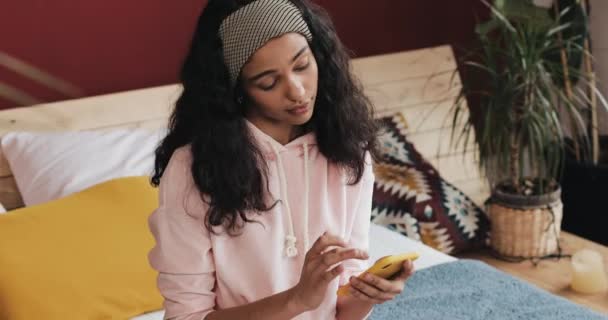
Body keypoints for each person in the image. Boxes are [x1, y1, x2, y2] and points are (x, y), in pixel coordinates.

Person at [147, 0, 415, 319]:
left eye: (302, 65)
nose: (298, 91)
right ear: (237, 89)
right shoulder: (194, 168)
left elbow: (341, 306)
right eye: (269, 82)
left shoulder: (348, 149)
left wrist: (368, 296)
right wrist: (297, 300)